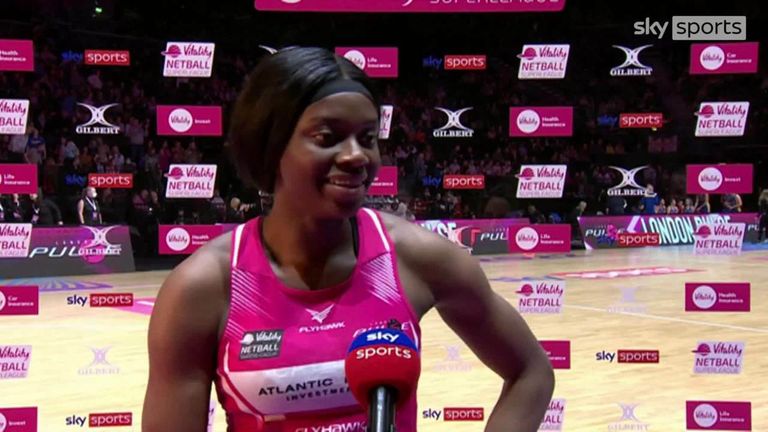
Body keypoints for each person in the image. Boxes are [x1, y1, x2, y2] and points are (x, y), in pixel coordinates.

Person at [143, 47, 554, 432]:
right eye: (328, 137)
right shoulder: (203, 288)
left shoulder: (419, 258)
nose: (356, 155)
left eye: (368, 138)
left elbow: (531, 372)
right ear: (272, 147)